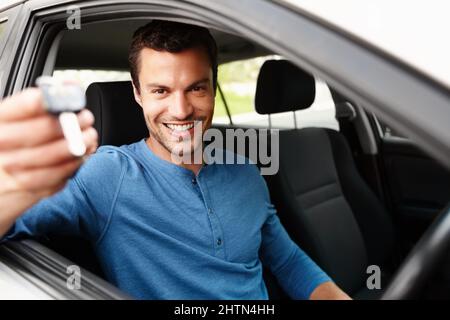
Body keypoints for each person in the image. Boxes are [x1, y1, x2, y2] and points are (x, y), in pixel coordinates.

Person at [0, 20, 350, 300]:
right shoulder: (107, 174)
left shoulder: (246, 172)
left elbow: (289, 262)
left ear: (213, 88)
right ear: (137, 94)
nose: (181, 111)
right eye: (161, 91)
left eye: (196, 88)